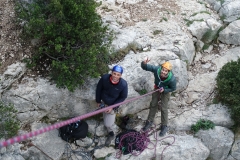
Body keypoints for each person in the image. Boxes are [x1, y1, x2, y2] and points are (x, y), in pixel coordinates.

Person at [141, 58, 176, 136]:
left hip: (166, 89)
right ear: (161, 68)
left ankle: (164, 125)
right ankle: (149, 121)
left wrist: (165, 90)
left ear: (168, 72)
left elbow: (173, 88)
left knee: (164, 107)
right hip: (157, 87)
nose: (163, 72)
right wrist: (144, 63)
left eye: (165, 71)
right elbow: (145, 67)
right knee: (153, 104)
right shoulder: (157, 70)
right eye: (163, 69)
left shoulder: (172, 79)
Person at [96, 65, 128, 146]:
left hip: (113, 104)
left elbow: (123, 97)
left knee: (108, 124)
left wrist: (113, 107)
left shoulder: (123, 84)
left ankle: (111, 132)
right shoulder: (104, 78)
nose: (115, 76)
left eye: (118, 75)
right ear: (111, 73)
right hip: (103, 101)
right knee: (105, 114)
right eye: (114, 73)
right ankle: (104, 115)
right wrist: (98, 101)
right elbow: (98, 89)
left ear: (120, 75)